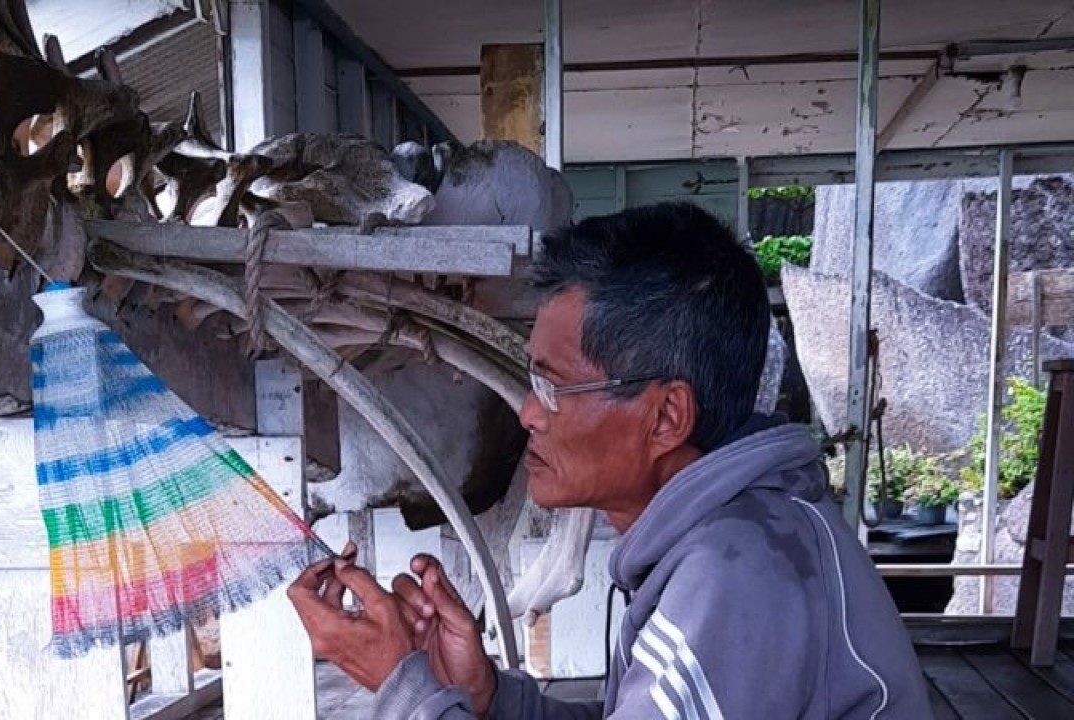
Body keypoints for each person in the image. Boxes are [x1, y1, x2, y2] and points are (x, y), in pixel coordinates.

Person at [288, 202, 932, 719]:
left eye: (552, 387)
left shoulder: (738, 577)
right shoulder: (737, 536)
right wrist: (490, 699)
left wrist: (402, 687)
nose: (528, 413)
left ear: (666, 417)